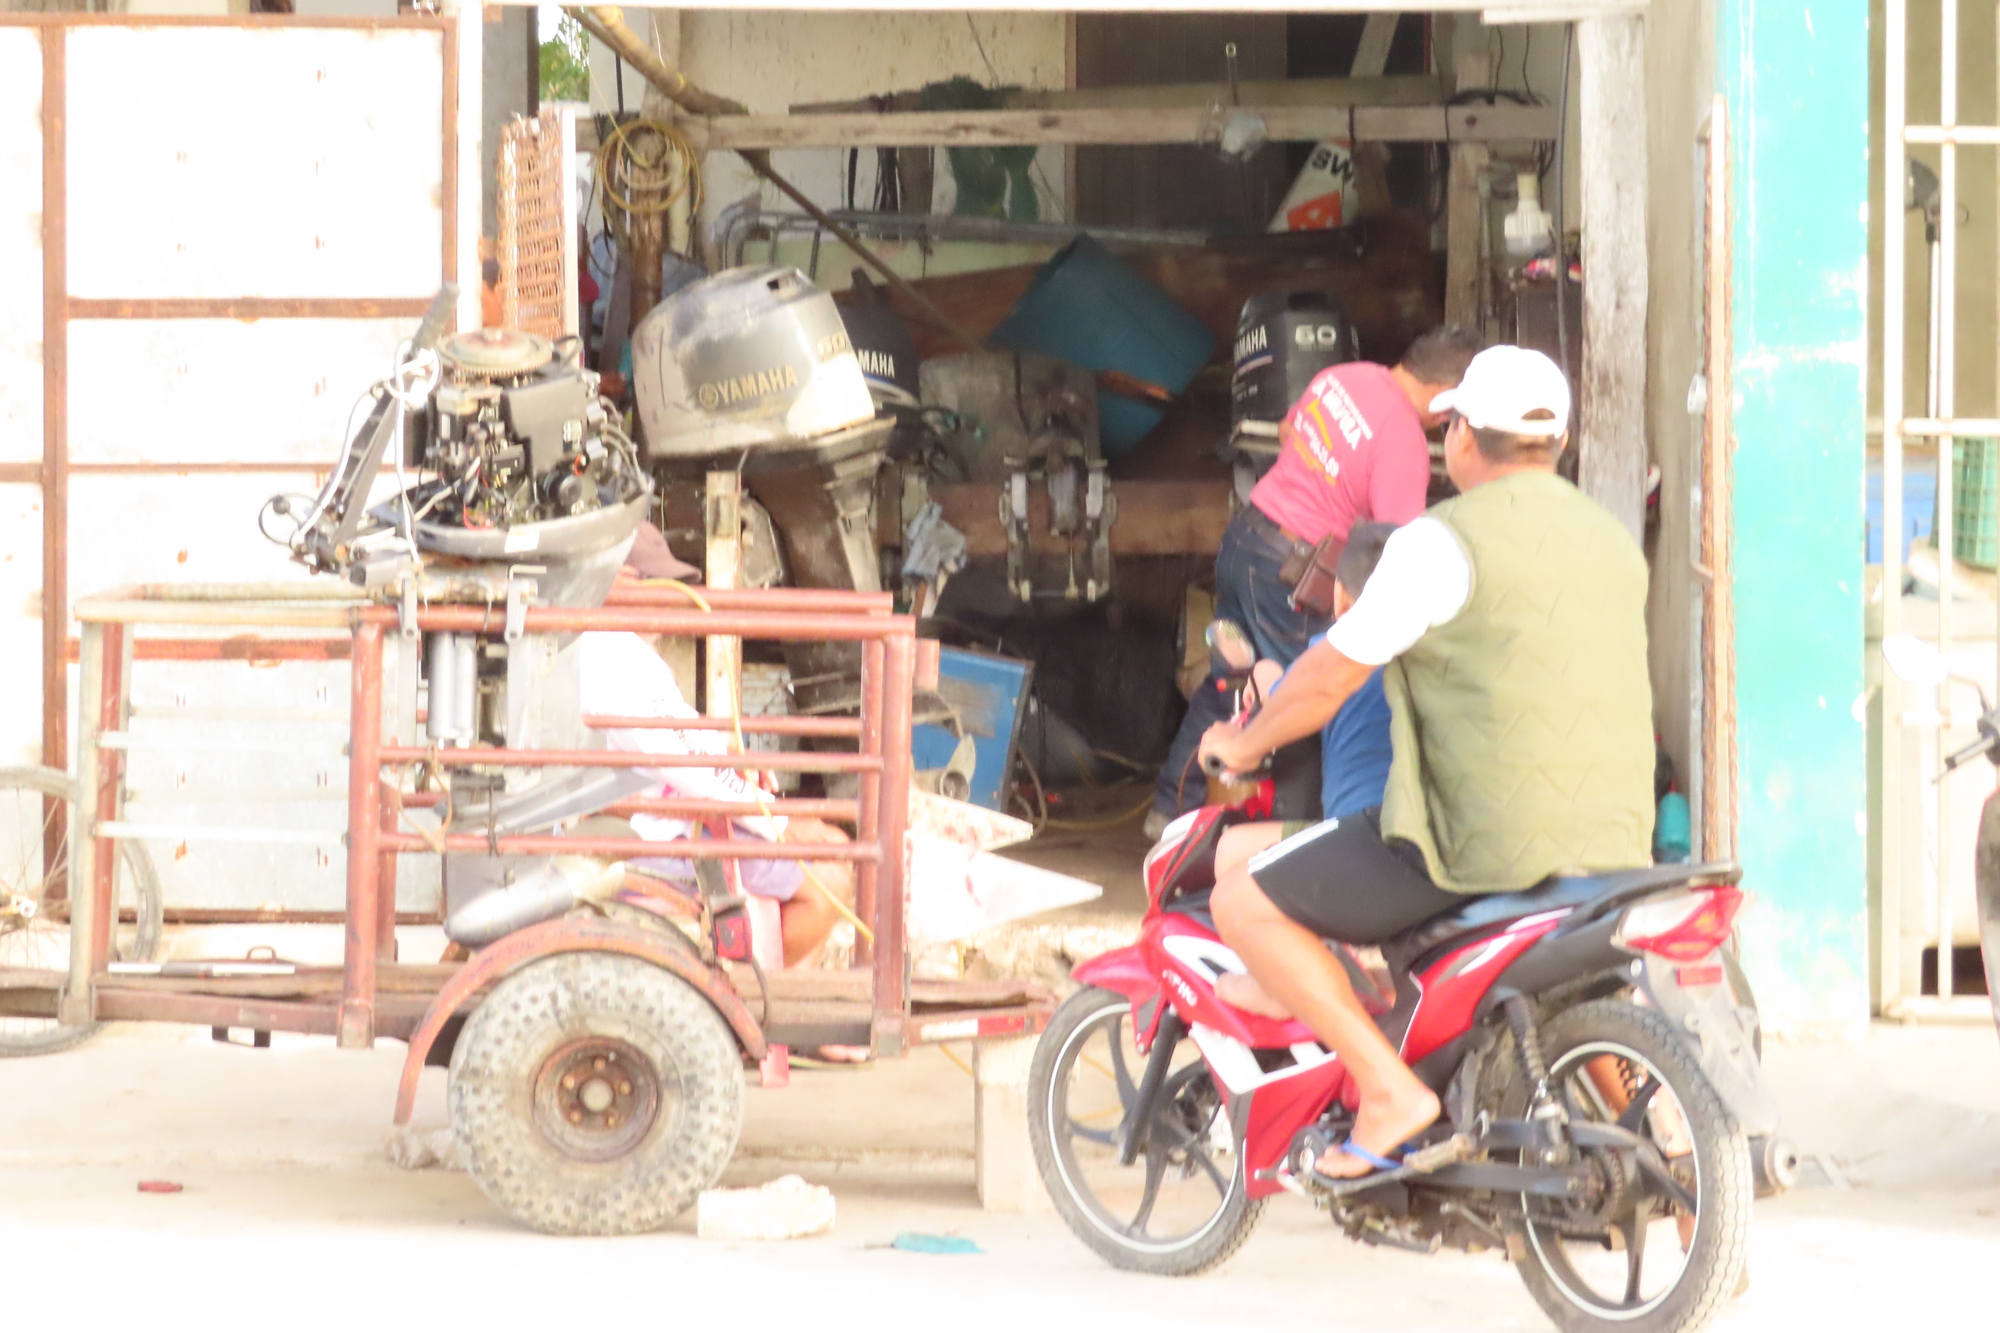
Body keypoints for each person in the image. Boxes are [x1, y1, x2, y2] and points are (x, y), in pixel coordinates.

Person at [1197, 346, 1655, 1179]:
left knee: (1243, 900)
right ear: (1557, 443)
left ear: (1462, 438)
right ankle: (1674, 1153)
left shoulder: (1440, 545)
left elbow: (1329, 675)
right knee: (1576, 982)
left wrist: (1244, 740)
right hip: (1614, 838)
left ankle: (1387, 1091)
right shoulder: (1611, 539)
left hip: (1475, 843)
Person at [1150, 327, 1484, 834]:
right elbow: (1398, 549)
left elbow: (1290, 431)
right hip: (1290, 574)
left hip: (1247, 540)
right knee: (1304, 702)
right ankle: (1297, 838)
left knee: (1229, 686)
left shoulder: (1344, 377)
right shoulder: (1403, 441)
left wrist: (1330, 477)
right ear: (1445, 398)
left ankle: (1171, 814)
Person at [1208, 521, 1397, 1021]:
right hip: (1414, 831)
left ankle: (1282, 986)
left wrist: (1237, 731)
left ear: (1339, 596)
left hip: (1360, 835)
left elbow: (1285, 698)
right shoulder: (1427, 656)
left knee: (1230, 852)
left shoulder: (1330, 659)